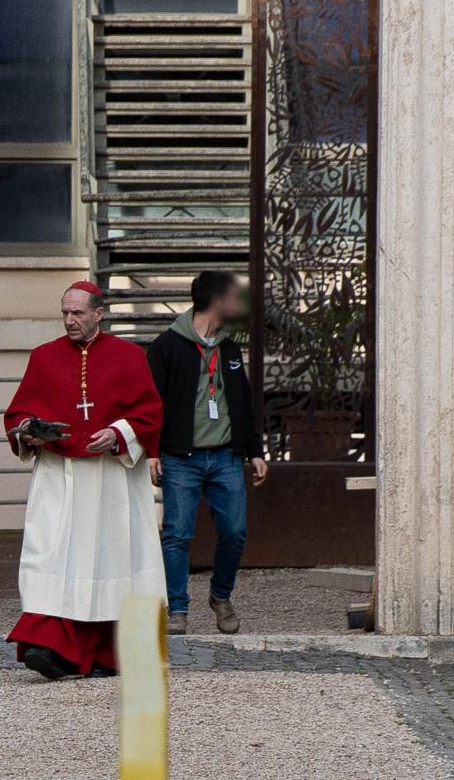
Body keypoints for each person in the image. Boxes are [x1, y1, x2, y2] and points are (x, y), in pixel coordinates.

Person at [5, 281, 166, 680]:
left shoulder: (129, 357)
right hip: (60, 477)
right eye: (64, 313)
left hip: (111, 480)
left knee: (111, 560)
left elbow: (150, 414)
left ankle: (107, 653)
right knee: (50, 554)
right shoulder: (44, 357)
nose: (69, 320)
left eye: (77, 313)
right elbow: (18, 414)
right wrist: (30, 431)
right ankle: (49, 645)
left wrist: (119, 433)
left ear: (99, 314)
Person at [146, 270, 267, 636]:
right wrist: (152, 452)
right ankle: (177, 609)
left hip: (226, 457)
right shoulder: (167, 346)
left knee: (235, 531)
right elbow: (150, 405)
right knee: (177, 535)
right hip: (180, 458)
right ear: (216, 301)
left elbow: (243, 402)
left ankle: (220, 595)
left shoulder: (229, 348)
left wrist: (255, 450)